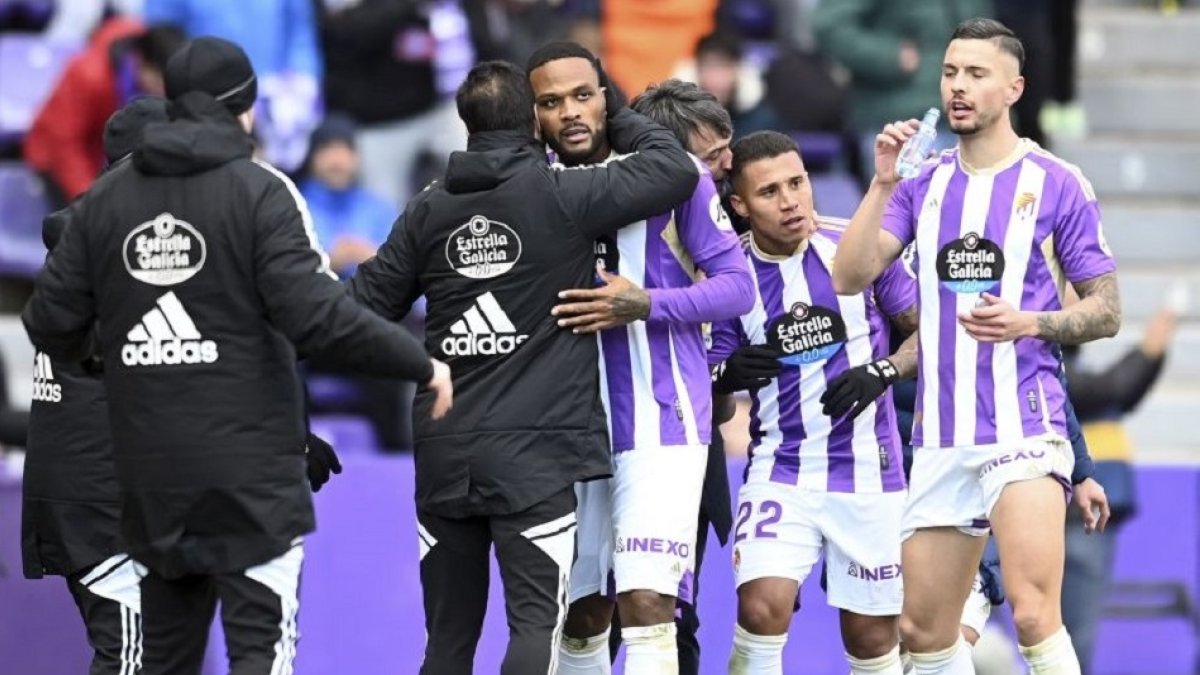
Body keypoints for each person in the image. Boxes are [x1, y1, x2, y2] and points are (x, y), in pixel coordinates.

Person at [22, 37, 450, 675]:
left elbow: (48, 323)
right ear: (246, 107)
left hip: (149, 483)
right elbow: (317, 317)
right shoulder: (260, 190)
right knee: (259, 656)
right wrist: (418, 361)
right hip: (248, 483)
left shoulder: (103, 205)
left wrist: (131, 358)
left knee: (162, 663)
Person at [345, 58, 700, 674]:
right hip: (536, 458)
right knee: (535, 627)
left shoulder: (426, 211)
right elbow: (674, 170)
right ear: (534, 120)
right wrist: (612, 106)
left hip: (445, 449)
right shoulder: (562, 194)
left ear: (466, 125)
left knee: (448, 644)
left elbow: (357, 311)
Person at [832, 18, 1121, 675]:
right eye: (950, 73)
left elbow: (1106, 311)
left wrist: (1032, 322)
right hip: (939, 435)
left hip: (1025, 425)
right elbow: (848, 276)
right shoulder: (921, 182)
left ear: (1013, 87)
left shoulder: (1057, 182)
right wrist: (880, 183)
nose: (958, 87)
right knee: (924, 630)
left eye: (976, 74)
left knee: (1028, 610)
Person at [524, 44, 754, 675]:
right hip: (566, 426)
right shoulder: (528, 183)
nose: (570, 112)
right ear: (534, 115)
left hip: (664, 420)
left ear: (605, 99)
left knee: (648, 600)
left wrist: (646, 303)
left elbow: (737, 286)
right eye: (551, 102)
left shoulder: (674, 177)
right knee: (584, 611)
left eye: (581, 95)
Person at [706, 130, 917, 675]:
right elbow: (709, 379)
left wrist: (885, 368)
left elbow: (931, 334)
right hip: (782, 469)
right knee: (761, 607)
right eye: (770, 191)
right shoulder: (730, 277)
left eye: (797, 182)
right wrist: (725, 374)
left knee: (872, 639)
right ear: (740, 205)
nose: (791, 200)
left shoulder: (857, 246)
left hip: (872, 473)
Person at [20, 97, 168, 675]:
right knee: (131, 656)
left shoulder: (81, 244)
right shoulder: (122, 251)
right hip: (100, 498)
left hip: (90, 488)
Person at [595, 78, 737, 675]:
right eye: (709, 162)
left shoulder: (733, 220)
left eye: (726, 162)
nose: (721, 178)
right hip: (594, 421)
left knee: (671, 608)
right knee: (587, 608)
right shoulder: (603, 200)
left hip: (681, 426)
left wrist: (715, 370)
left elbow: (738, 305)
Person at [1060, 299, 1178, 675]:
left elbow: (1119, 393)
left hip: (1087, 518)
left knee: (1074, 637)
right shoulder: (1044, 365)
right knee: (1063, 636)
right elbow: (1113, 388)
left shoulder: (1072, 366)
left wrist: (1151, 354)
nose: (1084, 301)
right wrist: (1147, 351)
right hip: (1067, 517)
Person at [22, 19, 184, 207]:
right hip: (57, 159)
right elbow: (64, 146)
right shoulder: (87, 76)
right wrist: (94, 202)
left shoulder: (145, 46)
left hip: (108, 154)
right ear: (142, 63)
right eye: (160, 82)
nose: (164, 92)